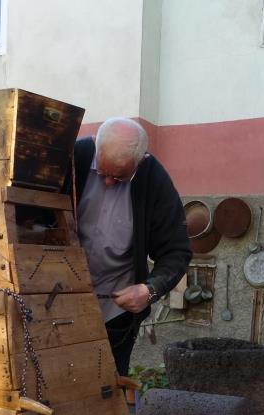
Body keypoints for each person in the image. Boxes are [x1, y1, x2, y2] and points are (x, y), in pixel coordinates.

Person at [67, 117, 191, 376]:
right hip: (60, 302)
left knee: (108, 388)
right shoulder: (73, 158)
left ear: (140, 160)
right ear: (97, 148)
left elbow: (176, 250)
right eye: (102, 173)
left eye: (119, 177)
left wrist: (150, 290)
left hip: (115, 313)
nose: (109, 182)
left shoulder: (154, 179)